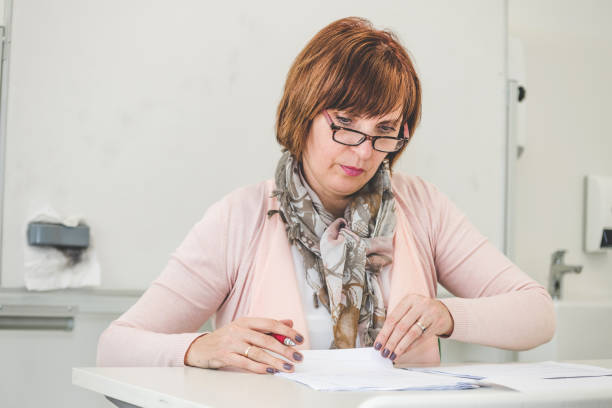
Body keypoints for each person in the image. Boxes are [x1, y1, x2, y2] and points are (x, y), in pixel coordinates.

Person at [97, 17, 555, 374]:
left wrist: (445, 315)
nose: (362, 151)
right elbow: (115, 346)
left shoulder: (422, 206)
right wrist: (199, 347)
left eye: (384, 131)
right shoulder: (241, 218)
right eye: (346, 124)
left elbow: (537, 314)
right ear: (305, 112)